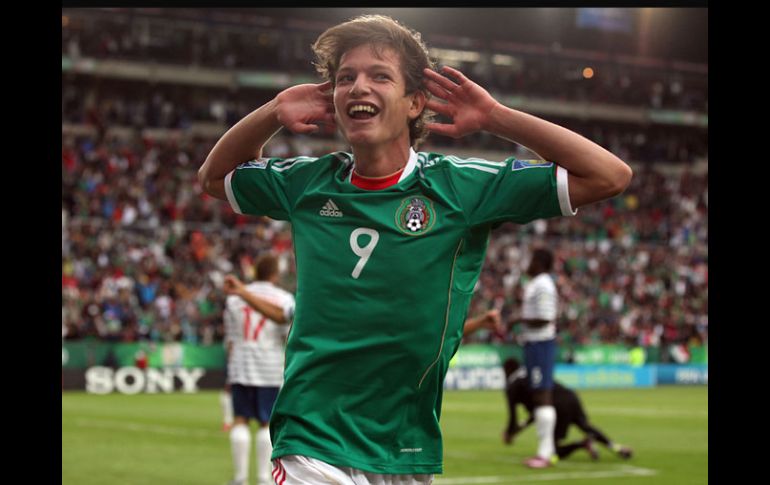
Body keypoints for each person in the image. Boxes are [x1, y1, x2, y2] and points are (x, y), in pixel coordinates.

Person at [198, 14, 632, 484]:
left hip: (406, 448)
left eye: (379, 76)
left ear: (415, 103)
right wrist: (273, 111)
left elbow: (609, 176)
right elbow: (213, 178)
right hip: (312, 438)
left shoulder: (461, 188)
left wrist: (495, 118)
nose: (358, 87)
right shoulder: (307, 182)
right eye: (346, 78)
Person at [222, 254, 295, 485]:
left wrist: (231, 368)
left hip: (241, 366)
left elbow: (231, 339)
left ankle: (240, 478)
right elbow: (288, 338)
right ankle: (264, 478)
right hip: (270, 368)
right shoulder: (284, 299)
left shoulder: (234, 300)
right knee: (266, 423)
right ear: (275, 273)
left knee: (240, 420)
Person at [501, 357, 633, 462]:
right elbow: (536, 414)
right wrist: (518, 429)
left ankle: (582, 444)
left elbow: (515, 417)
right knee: (585, 426)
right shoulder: (532, 373)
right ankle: (616, 448)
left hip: (555, 407)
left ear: (507, 371)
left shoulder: (512, 387)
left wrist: (510, 432)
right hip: (570, 396)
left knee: (551, 452)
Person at [511, 247, 560, 468]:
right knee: (540, 395)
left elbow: (545, 318)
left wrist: (518, 320)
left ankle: (545, 453)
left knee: (542, 395)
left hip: (541, 343)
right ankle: (546, 452)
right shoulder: (536, 283)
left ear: (539, 262)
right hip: (534, 343)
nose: (527, 264)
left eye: (531, 260)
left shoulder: (543, 284)